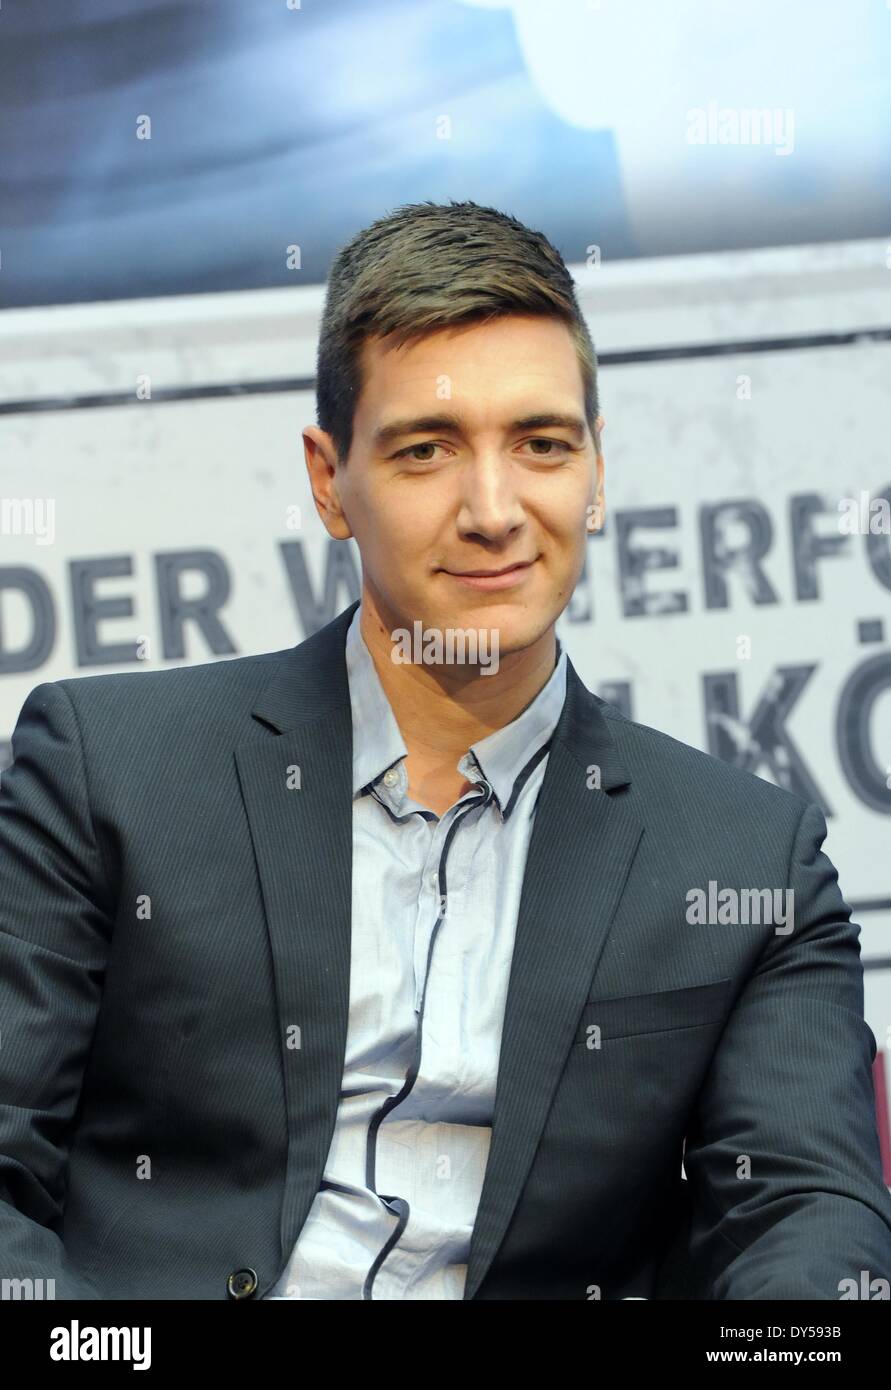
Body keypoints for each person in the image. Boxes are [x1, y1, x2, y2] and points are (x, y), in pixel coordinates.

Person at [1, 200, 889, 1301]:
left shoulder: (751, 860)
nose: (493, 509)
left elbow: (805, 1211)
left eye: (541, 445)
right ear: (331, 480)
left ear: (597, 470)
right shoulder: (109, 772)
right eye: (427, 449)